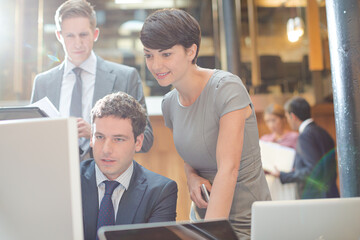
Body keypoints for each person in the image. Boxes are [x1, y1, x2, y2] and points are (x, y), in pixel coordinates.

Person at [140, 9, 271, 239]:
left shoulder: (226, 88)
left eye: (166, 54)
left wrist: (211, 234)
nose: (156, 65)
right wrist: (191, 176)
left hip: (248, 224)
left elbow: (228, 170)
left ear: (191, 51)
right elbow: (191, 154)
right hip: (202, 220)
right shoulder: (169, 103)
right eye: (149, 55)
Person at [30, 0, 153, 160]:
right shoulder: (42, 83)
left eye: (83, 35)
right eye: (70, 36)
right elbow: (32, 137)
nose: (77, 43)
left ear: (95, 34)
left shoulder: (126, 77)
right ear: (59, 36)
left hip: (107, 177)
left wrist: (98, 134)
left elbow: (146, 139)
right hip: (56, 172)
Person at [81, 92, 178, 240]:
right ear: (91, 139)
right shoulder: (70, 181)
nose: (106, 149)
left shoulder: (160, 192)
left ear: (138, 142)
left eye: (118, 139)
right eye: (100, 137)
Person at [270, 97, 339, 199]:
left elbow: (312, 171)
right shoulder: (324, 132)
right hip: (331, 193)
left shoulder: (305, 136)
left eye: (287, 117)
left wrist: (283, 175)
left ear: (293, 116)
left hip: (315, 197)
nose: (288, 121)